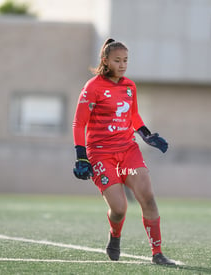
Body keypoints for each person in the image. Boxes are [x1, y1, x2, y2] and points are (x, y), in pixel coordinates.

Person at [72, 38, 175, 266]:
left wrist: (146, 135)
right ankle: (115, 236)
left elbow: (133, 116)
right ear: (105, 60)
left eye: (126, 60)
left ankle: (157, 253)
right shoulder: (93, 87)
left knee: (147, 197)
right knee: (119, 209)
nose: (122, 65)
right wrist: (81, 155)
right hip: (101, 154)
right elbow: (79, 124)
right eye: (117, 60)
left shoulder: (130, 86)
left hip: (128, 150)